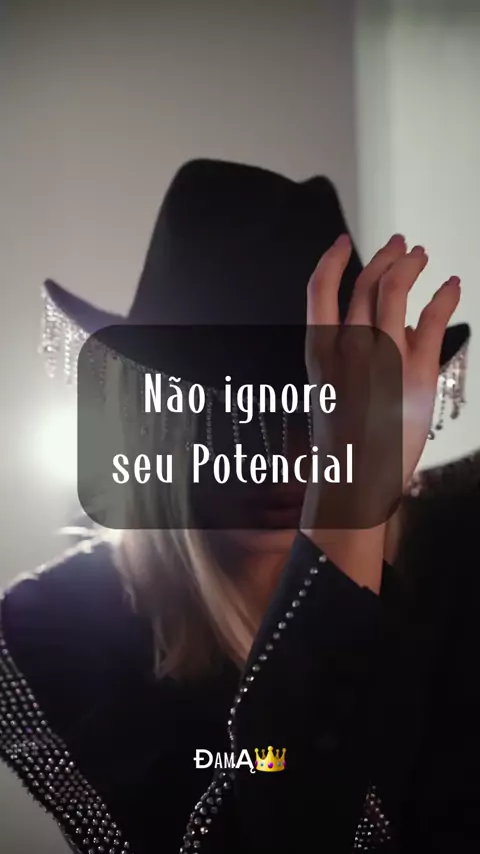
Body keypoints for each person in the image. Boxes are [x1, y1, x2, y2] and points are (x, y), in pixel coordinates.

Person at [0, 159, 475, 854]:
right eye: (227, 409)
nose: (280, 455)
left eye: (317, 408)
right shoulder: (61, 624)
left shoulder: (462, 548)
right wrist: (346, 515)